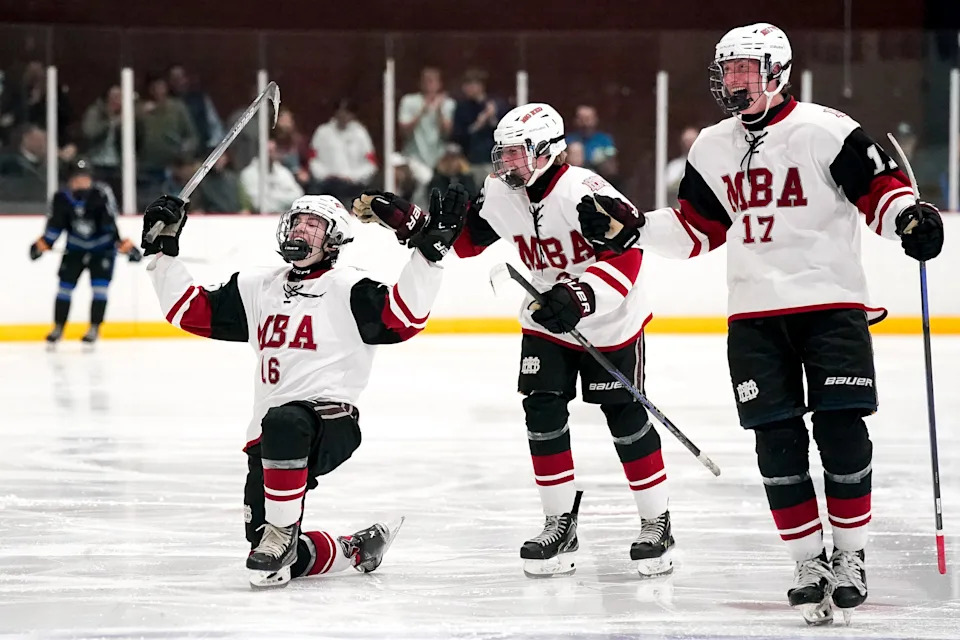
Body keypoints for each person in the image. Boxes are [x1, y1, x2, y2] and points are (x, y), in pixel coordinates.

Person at [576, 23, 945, 624]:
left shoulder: (826, 129)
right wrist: (633, 228)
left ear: (777, 72)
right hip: (753, 317)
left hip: (830, 307)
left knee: (842, 433)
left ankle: (849, 558)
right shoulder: (711, 147)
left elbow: (880, 191)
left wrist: (909, 219)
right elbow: (698, 229)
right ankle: (806, 562)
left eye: (745, 69)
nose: (733, 81)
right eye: (727, 70)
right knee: (776, 444)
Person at [372, 103, 677, 578]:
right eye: (504, 154)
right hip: (543, 321)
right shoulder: (499, 190)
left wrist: (582, 294)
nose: (507, 164)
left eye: (517, 154)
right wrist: (418, 223)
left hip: (610, 321)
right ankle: (560, 523)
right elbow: (468, 243)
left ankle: (656, 522)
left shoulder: (585, 191)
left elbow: (627, 257)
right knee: (542, 410)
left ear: (549, 151)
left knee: (625, 417)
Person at [140, 182, 468, 589]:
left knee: (284, 423)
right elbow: (187, 309)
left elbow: (404, 319)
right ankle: (354, 549)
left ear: (334, 240)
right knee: (271, 565)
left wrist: (428, 257)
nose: (301, 231)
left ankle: (282, 535)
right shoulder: (259, 285)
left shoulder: (349, 286)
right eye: (297, 222)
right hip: (269, 432)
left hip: (330, 421)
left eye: (314, 225)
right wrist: (161, 252)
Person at [29, 158, 142, 345]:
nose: (82, 181)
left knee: (100, 289)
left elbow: (109, 223)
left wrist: (122, 245)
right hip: (75, 249)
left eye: (85, 177)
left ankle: (94, 328)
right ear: (70, 179)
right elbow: (56, 225)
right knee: (64, 287)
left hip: (102, 249)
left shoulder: (101, 194)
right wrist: (43, 244)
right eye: (77, 177)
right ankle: (58, 328)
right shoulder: (61, 198)